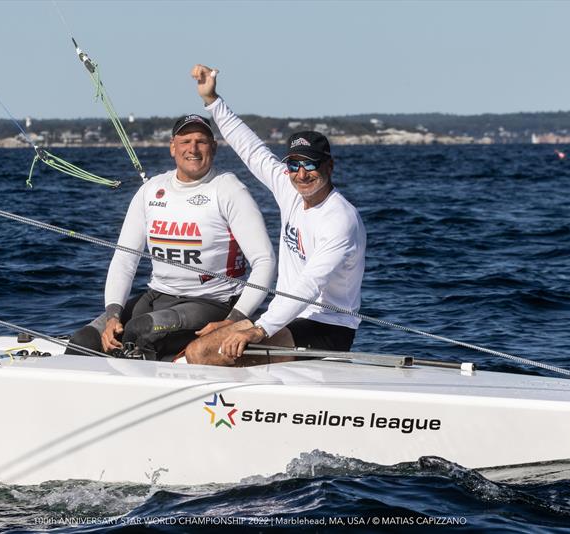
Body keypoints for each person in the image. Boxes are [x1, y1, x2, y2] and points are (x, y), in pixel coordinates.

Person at [184, 65, 366, 366]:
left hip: (327, 328)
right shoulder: (291, 190)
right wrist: (212, 99)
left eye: (310, 165)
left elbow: (311, 284)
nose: (301, 174)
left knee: (206, 355)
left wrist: (259, 329)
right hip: (287, 316)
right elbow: (252, 150)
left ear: (329, 167)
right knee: (196, 348)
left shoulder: (339, 219)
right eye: (294, 165)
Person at [66, 114, 275, 360]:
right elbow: (124, 259)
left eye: (201, 141)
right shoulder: (151, 191)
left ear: (214, 147)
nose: (193, 149)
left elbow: (265, 261)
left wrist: (234, 319)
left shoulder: (229, 190)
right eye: (185, 141)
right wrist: (113, 314)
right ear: (172, 148)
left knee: (140, 332)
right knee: (83, 342)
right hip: (157, 296)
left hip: (212, 303)